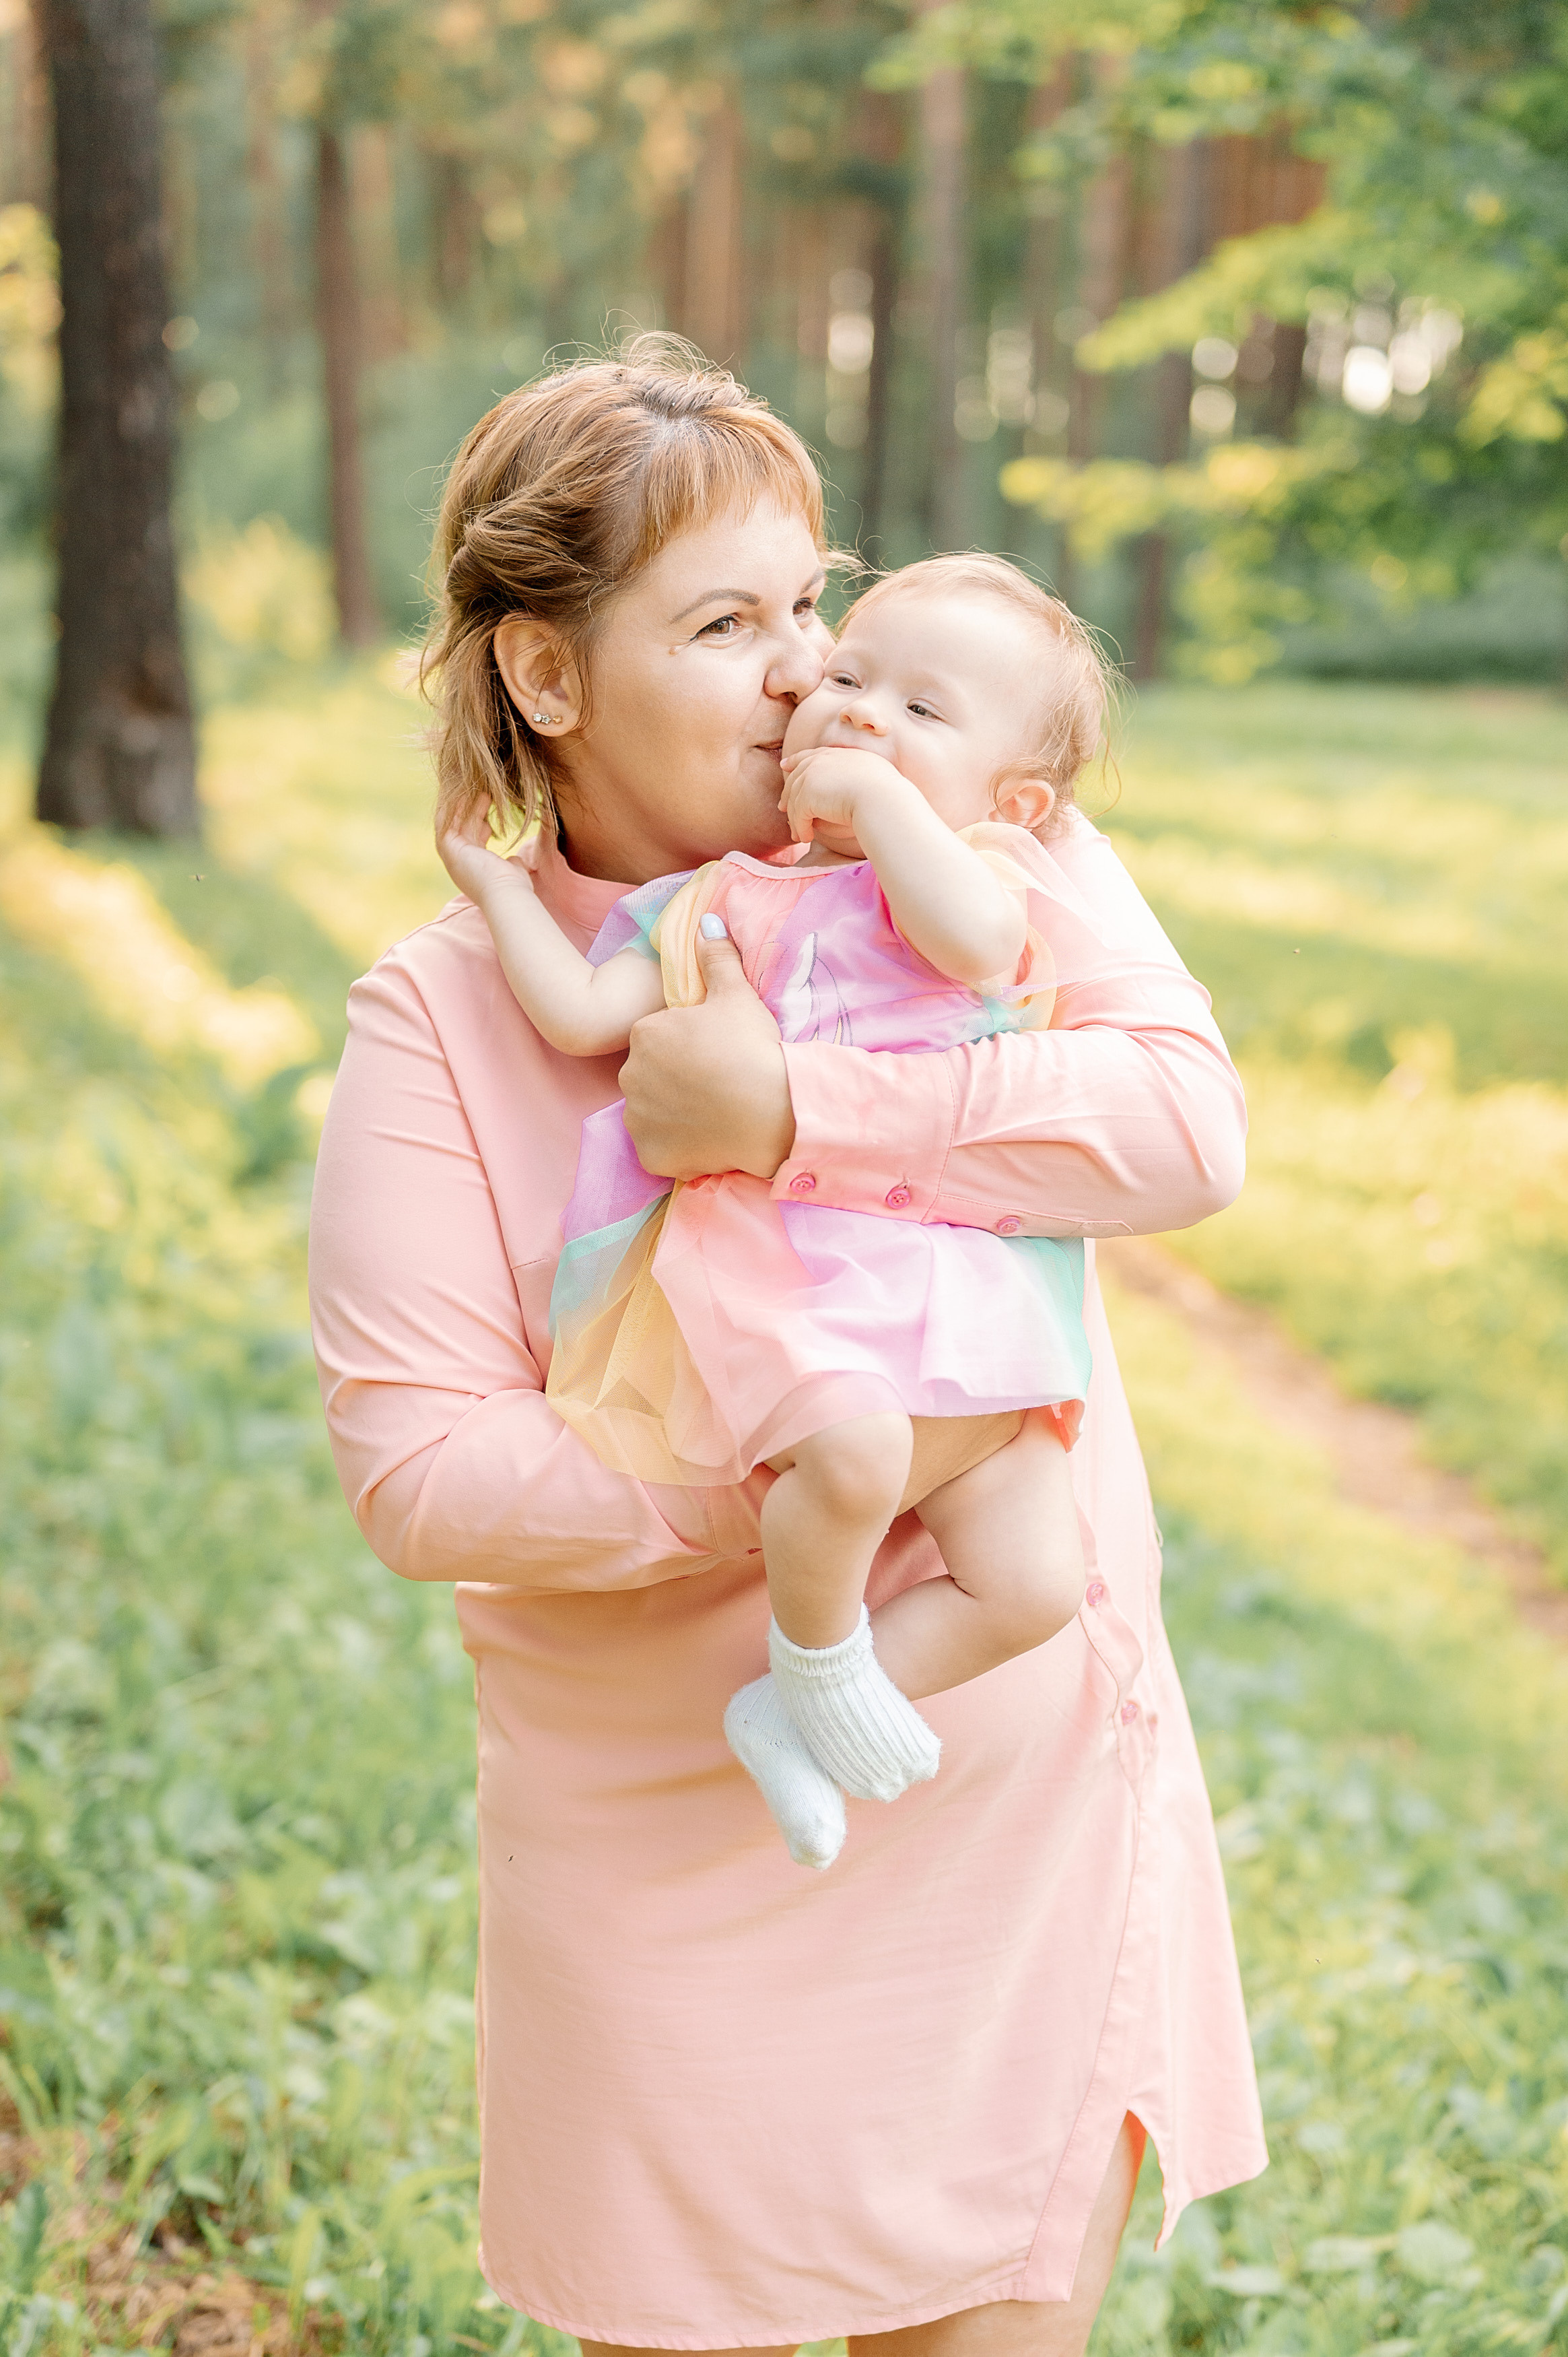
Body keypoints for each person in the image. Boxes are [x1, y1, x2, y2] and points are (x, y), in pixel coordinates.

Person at [308, 339, 1267, 2357]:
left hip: (995, 1820)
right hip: (658, 1851)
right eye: (725, 619)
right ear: (546, 676)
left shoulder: (963, 840)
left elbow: (1185, 1130)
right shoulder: (443, 1019)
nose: (797, 669)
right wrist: (824, 1447)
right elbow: (420, 1476)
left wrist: (793, 1118)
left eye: (810, 601)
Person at [436, 554, 1122, 1871]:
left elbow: (976, 944)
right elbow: (583, 1016)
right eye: (851, 679)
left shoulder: (979, 879)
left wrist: (879, 805)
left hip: (949, 1291)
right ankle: (815, 1661)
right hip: (785, 1269)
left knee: (1034, 1576)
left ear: (1014, 802)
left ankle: (794, 1716)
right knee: (854, 1454)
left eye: (923, 714)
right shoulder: (718, 902)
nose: (860, 714)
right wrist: (503, 894)